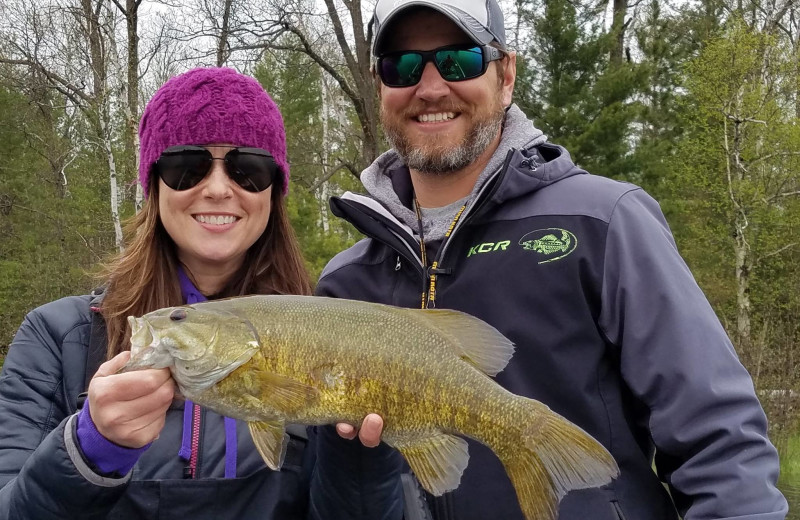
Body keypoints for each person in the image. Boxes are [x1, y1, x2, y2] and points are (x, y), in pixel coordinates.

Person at [313, 0, 789, 518]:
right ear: (380, 86)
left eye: (459, 60)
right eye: (401, 66)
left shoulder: (605, 223)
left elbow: (721, 446)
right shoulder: (344, 284)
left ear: (506, 74)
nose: (430, 87)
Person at [0, 67, 391, 519]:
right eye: (188, 168)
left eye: (249, 170)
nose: (220, 189)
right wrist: (88, 453)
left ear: (274, 192)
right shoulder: (57, 337)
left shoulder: (333, 330)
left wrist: (361, 455)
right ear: (153, 185)